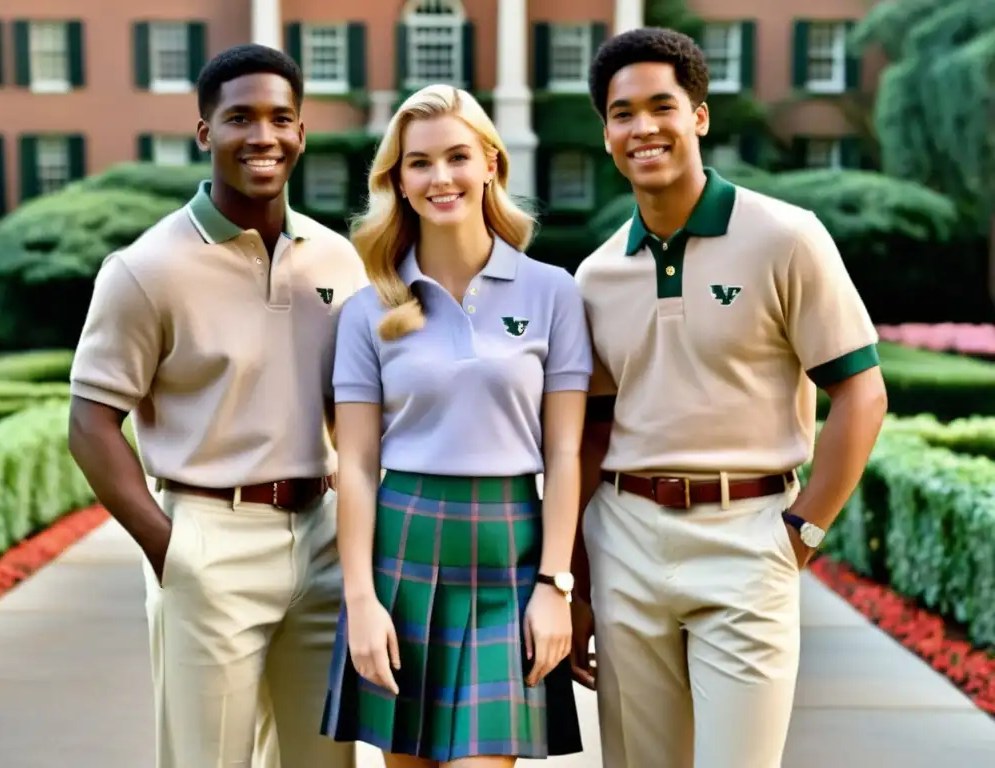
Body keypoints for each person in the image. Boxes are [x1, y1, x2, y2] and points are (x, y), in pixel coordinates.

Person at [569, 27, 889, 768]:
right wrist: (581, 583)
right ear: (607, 132)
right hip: (626, 540)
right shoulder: (594, 277)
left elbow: (862, 394)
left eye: (662, 106)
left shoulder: (786, 237)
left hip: (750, 534)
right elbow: (589, 439)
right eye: (623, 113)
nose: (643, 127)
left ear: (699, 117)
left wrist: (802, 534)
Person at [67, 43, 365, 768]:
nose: (261, 136)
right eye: (240, 118)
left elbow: (354, 408)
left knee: (325, 760)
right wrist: (171, 549)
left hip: (323, 538)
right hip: (210, 536)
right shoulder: (146, 268)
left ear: (301, 133)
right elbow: (90, 423)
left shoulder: (336, 258)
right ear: (205, 132)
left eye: (280, 119)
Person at [319, 84, 591, 767]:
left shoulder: (552, 291)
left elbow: (564, 452)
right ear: (399, 182)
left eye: (458, 156)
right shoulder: (366, 310)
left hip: (512, 552)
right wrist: (361, 601)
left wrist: (556, 587)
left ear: (491, 164)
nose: (441, 177)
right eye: (419, 163)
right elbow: (354, 465)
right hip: (401, 549)